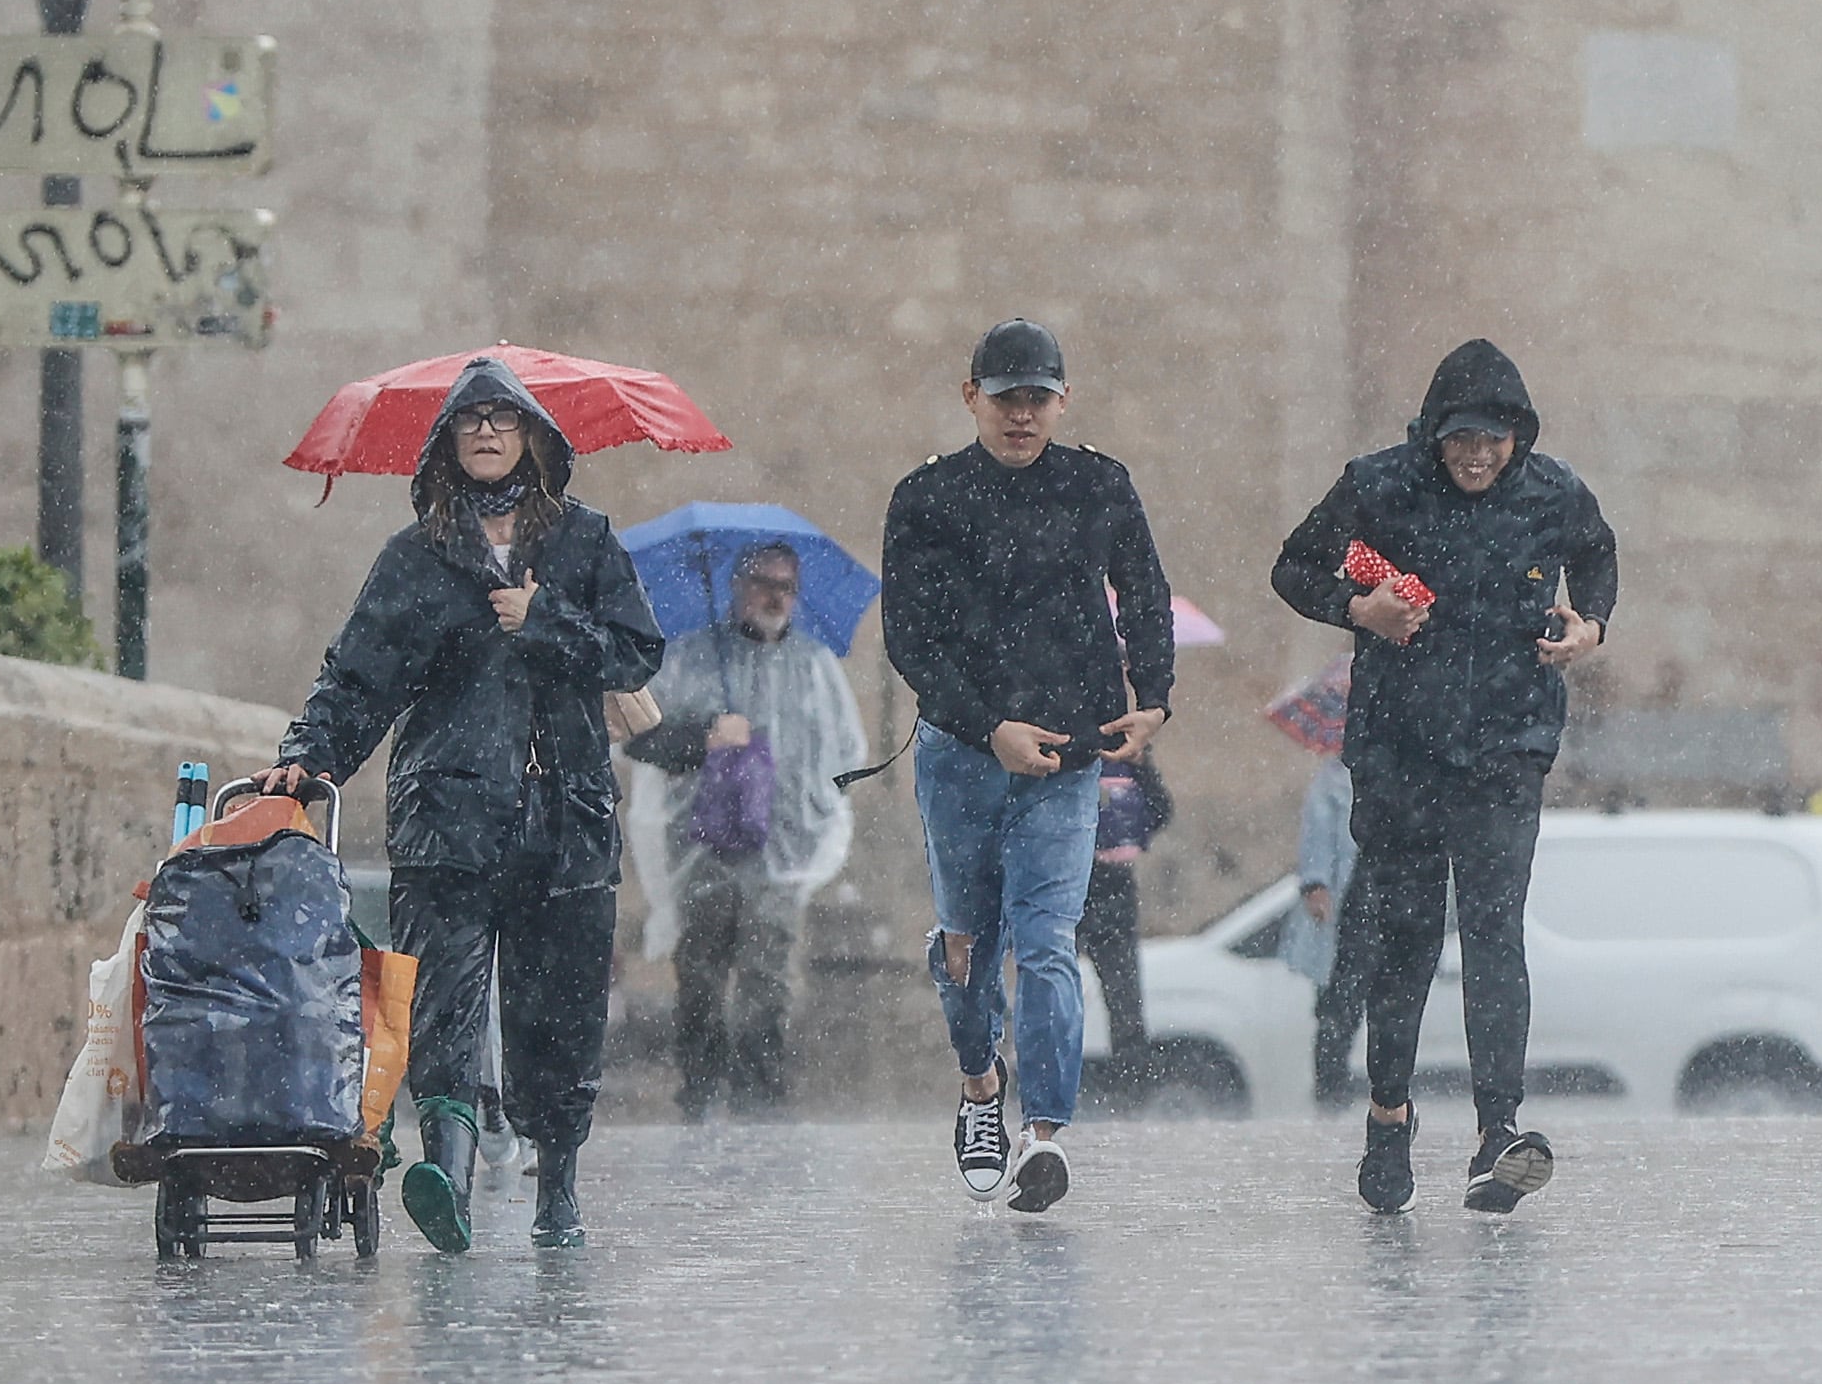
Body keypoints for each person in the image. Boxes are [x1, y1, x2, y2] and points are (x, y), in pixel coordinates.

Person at [264, 355, 664, 1249]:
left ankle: (557, 1180)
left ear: (533, 437)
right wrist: (307, 757)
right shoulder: (415, 558)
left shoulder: (585, 542)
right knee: (442, 996)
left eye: (503, 418)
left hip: (565, 821)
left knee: (555, 1010)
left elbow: (637, 655)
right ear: (447, 440)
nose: (487, 431)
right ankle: (446, 1164)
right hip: (446, 812)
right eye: (471, 419)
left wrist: (547, 621)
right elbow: (357, 679)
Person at [1272, 340, 1615, 1215]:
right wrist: (1358, 607)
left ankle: (1497, 1134)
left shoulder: (1554, 493)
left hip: (1507, 748)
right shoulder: (1378, 487)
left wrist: (1591, 627)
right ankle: (1388, 1117)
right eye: (1460, 438)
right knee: (1404, 943)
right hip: (1399, 755)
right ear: (1432, 435)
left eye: (1493, 440)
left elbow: (1597, 557)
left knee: (1496, 936)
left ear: (1518, 440)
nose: (1476, 455)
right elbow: (1294, 565)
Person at [879, 317, 1176, 1212]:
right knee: (969, 944)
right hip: (960, 756)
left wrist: (1154, 696)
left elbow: (1146, 590)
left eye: (1036, 399)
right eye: (1005, 398)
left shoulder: (1097, 484)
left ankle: (1045, 1135)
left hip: (1065, 752)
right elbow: (910, 640)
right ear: (971, 396)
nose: (1021, 415)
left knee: (1047, 942)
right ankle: (980, 1088)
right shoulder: (926, 498)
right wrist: (985, 725)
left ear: (1061, 401)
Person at [624, 541, 868, 1120]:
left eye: (786, 586)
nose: (774, 596)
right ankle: (700, 1094)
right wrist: (703, 733)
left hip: (779, 858)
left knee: (768, 980)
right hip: (700, 852)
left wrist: (812, 815)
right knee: (701, 980)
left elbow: (846, 757)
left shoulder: (814, 668)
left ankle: (762, 1100)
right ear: (737, 585)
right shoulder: (690, 658)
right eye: (763, 582)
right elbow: (639, 736)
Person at [1079, 749, 1174, 1088]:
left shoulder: (1127, 762)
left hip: (1115, 886)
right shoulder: (1070, 747)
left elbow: (1160, 811)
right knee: (1050, 987)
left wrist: (1143, 768)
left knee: (1125, 1002)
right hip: (1068, 880)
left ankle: (1132, 1089)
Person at [1279, 749, 1368, 1109]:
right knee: (1336, 1010)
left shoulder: (1402, 773)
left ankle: (1383, 1093)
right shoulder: (1333, 779)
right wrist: (1316, 884)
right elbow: (1317, 838)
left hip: (1386, 900)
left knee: (1384, 1004)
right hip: (1345, 910)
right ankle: (1331, 1092)